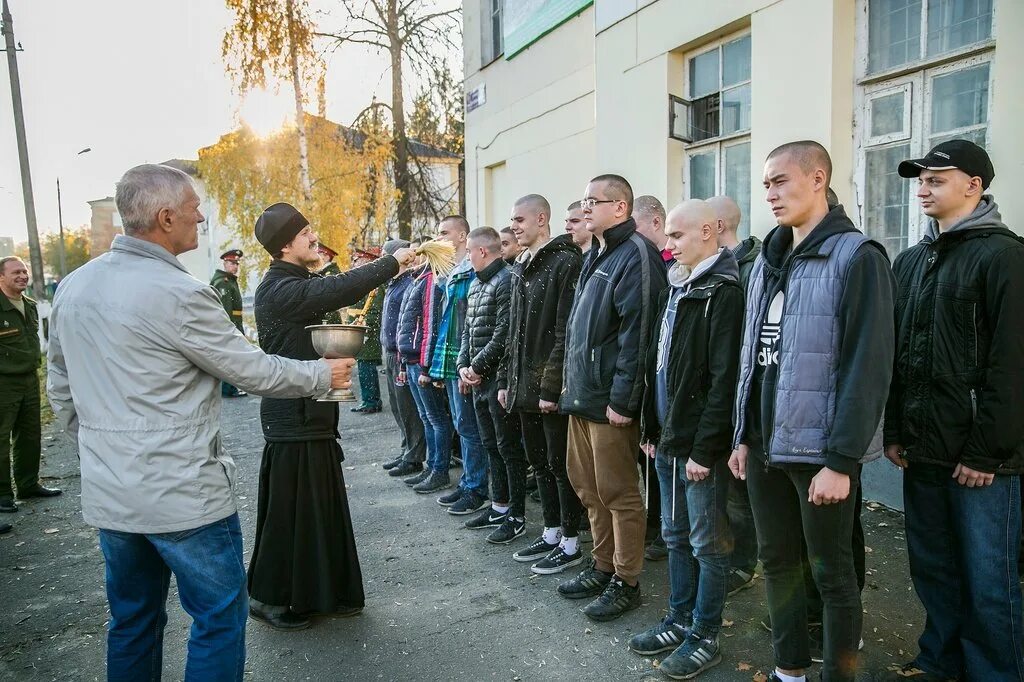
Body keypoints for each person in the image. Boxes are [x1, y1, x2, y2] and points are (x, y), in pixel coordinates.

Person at [45, 164, 356, 680]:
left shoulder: (75, 286)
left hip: (112, 495)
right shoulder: (181, 293)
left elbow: (62, 388)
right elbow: (252, 369)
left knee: (132, 620)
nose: (201, 216)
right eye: (193, 209)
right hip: (183, 495)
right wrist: (322, 375)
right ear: (166, 218)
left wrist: (97, 449)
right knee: (217, 617)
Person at [729, 141, 895, 682]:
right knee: (777, 563)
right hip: (764, 446)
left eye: (781, 180)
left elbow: (868, 367)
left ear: (818, 177)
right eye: (766, 185)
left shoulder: (857, 256)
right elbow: (752, 356)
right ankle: (789, 671)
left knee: (832, 574)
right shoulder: (766, 262)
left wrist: (843, 460)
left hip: (819, 451)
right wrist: (742, 436)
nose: (771, 193)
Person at [884, 140, 1024, 681]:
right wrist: (895, 431)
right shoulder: (911, 261)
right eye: (920, 179)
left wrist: (987, 451)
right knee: (934, 569)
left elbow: (1011, 366)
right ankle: (939, 662)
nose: (923, 186)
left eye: (936, 178)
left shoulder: (1005, 256)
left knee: (990, 580)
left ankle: (995, 673)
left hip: (983, 462)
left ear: (975, 185)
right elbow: (900, 356)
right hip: (924, 450)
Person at [246, 202, 416, 630]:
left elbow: (335, 286)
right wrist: (388, 264)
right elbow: (334, 290)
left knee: (318, 506)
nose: (314, 240)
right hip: (292, 416)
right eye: (306, 235)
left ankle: (326, 592)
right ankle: (268, 597)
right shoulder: (278, 289)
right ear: (285, 245)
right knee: (288, 512)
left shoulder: (296, 279)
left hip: (313, 412)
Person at [631, 199, 744, 678]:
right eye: (669, 236)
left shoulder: (724, 290)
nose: (668, 244)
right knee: (676, 535)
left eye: (677, 236)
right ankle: (678, 618)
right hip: (668, 439)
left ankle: (705, 633)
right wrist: (650, 428)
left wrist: (705, 448)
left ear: (709, 232)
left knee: (708, 543)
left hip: (699, 448)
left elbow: (723, 380)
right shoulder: (676, 287)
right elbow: (658, 365)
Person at [557, 174, 668, 622]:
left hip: (608, 403)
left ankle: (627, 579)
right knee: (586, 486)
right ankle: (602, 565)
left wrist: (623, 401)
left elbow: (637, 335)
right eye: (583, 201)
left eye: (592, 201)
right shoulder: (598, 254)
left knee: (619, 492)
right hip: (581, 398)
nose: (585, 209)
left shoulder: (636, 255)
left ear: (620, 208)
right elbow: (580, 331)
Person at [499, 194, 586, 574]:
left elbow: (565, 331)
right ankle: (551, 531)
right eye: (512, 220)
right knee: (539, 462)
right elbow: (513, 331)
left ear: (542, 220)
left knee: (557, 464)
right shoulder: (523, 265)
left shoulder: (565, 262)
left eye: (520, 219)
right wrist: (506, 379)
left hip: (549, 390)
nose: (515, 226)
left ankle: (571, 541)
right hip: (523, 388)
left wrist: (552, 389)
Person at [458, 227, 527, 544]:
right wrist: (462, 366)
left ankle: (516, 515)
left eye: (470, 251)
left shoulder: (508, 280)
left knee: (508, 449)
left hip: (499, 381)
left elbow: (504, 335)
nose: (467, 256)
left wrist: (477, 367)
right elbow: (467, 332)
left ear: (483, 251)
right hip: (477, 381)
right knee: (490, 446)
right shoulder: (474, 284)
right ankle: (498, 506)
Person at [706, 195, 761, 595]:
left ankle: (743, 563)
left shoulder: (751, 268)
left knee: (740, 491)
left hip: (741, 393)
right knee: (724, 488)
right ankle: (726, 556)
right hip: (719, 392)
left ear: (718, 227)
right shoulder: (715, 267)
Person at [430, 216, 490, 516]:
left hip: (465, 362)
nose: (438, 237)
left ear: (463, 235)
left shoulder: (471, 271)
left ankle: (477, 487)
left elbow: (472, 322)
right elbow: (446, 323)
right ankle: (469, 482)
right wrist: (440, 367)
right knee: (461, 425)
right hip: (453, 359)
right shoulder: (452, 272)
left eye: (444, 232)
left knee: (469, 428)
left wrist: (466, 365)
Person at [1, 256, 61, 515]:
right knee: (1, 439)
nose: (23, 276)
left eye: (24, 272)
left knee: (30, 434)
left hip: (28, 378)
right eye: (16, 272)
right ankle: (3, 495)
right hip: (3, 382)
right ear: (1, 277)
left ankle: (27, 484)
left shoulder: (30, 305)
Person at [631, 194, 670, 562]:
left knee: (659, 459)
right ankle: (653, 520)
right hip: (646, 377)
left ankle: (660, 527)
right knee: (647, 455)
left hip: (661, 380)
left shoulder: (668, 263)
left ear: (654, 223)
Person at [397, 259, 453, 493]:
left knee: (436, 418)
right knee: (426, 416)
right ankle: (431, 468)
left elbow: (430, 325)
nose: (411, 258)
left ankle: (439, 470)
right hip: (411, 360)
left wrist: (426, 368)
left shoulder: (430, 280)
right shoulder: (417, 279)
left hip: (421, 362)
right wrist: (403, 362)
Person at [378, 239, 428, 478]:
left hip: (400, 354)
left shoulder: (408, 283)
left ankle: (414, 456)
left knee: (408, 408)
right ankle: (406, 448)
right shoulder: (393, 284)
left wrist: (401, 356)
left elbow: (406, 324)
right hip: (388, 352)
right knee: (397, 407)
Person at [348, 248, 386, 415]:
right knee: (364, 368)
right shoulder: (364, 281)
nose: (355, 263)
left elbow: (375, 310)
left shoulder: (375, 284)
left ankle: (371, 401)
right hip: (360, 329)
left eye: (359, 260)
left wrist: (365, 325)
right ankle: (369, 400)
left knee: (367, 369)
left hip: (367, 332)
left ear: (368, 261)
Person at [211, 248, 247, 397]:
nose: (235, 266)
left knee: (234, 356)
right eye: (232, 263)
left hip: (235, 323)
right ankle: (229, 388)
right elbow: (225, 310)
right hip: (231, 324)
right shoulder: (223, 283)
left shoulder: (229, 281)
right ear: (225, 264)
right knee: (231, 357)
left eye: (236, 263)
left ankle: (230, 387)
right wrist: (231, 328)